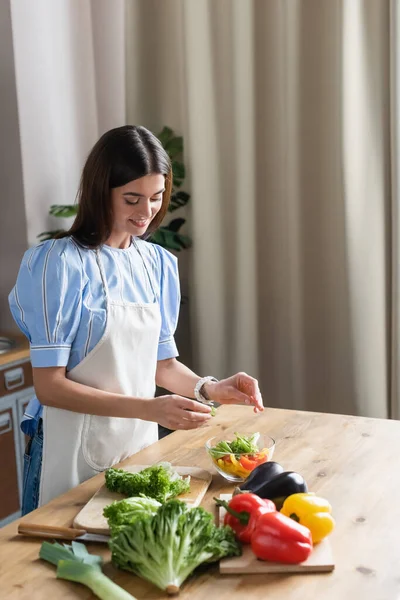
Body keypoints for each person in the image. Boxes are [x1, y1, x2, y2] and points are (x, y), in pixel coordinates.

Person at [9, 125, 264, 516]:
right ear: (101, 193)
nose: (146, 212)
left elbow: (160, 365)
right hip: (66, 446)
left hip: (138, 443)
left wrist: (210, 388)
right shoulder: (58, 264)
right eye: (131, 199)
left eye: (156, 197)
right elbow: (50, 387)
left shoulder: (157, 264)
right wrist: (150, 409)